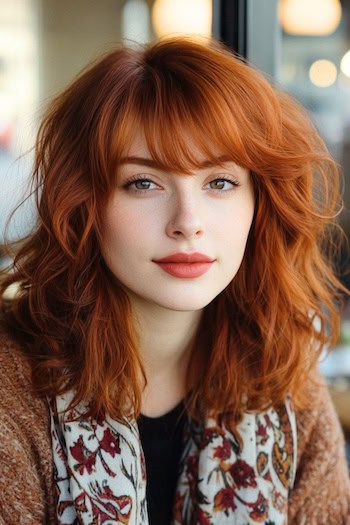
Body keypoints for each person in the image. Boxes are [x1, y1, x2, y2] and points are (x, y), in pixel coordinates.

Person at [0, 37, 349, 525]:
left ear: (258, 204)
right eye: (144, 183)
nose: (188, 221)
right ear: (84, 204)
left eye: (219, 182)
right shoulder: (11, 390)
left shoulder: (285, 378)